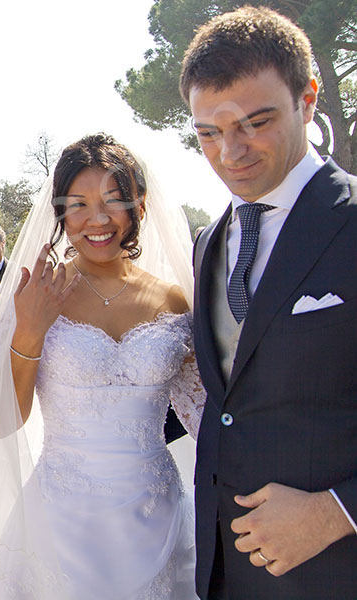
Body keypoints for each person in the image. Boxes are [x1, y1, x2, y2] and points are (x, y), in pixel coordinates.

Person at [0, 134, 206, 598]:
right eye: (79, 204)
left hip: (157, 513)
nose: (97, 219)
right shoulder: (39, 292)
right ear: (59, 213)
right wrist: (29, 330)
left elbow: (205, 414)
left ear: (140, 205)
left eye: (114, 200)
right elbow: (2, 419)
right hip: (62, 520)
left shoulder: (172, 299)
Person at [181, 7, 357, 598]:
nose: (230, 152)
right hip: (225, 571)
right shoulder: (209, 242)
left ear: (308, 98)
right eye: (208, 132)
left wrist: (336, 512)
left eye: (255, 122)